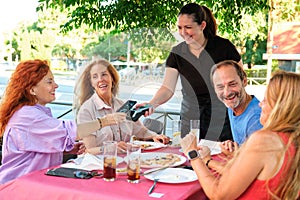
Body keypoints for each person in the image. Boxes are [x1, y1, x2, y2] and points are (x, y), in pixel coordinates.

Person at [0, 59, 126, 184]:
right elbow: (70, 131)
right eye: (49, 82)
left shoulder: (33, 113)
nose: (56, 85)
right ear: (32, 90)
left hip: (34, 183)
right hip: (19, 186)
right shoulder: (27, 116)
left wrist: (67, 150)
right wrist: (104, 121)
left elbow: (37, 146)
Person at [180, 70, 300, 199]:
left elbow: (218, 194)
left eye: (266, 100)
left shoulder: (265, 140)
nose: (260, 104)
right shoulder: (291, 140)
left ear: (281, 107)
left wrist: (193, 154)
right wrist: (230, 158)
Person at [140, 3, 242, 141]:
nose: (183, 32)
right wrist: (151, 104)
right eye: (180, 28)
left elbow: (240, 81)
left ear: (202, 25)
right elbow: (167, 88)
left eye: (188, 27)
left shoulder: (224, 47)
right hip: (190, 117)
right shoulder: (177, 53)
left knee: (220, 157)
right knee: (191, 157)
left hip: (221, 118)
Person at [74, 59, 169, 155]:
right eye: (95, 77)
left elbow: (141, 131)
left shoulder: (122, 105)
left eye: (104, 74)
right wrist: (112, 148)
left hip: (125, 161)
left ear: (112, 78)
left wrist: (154, 136)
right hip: (99, 165)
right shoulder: (86, 110)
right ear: (92, 83)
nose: (100, 79)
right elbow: (89, 150)